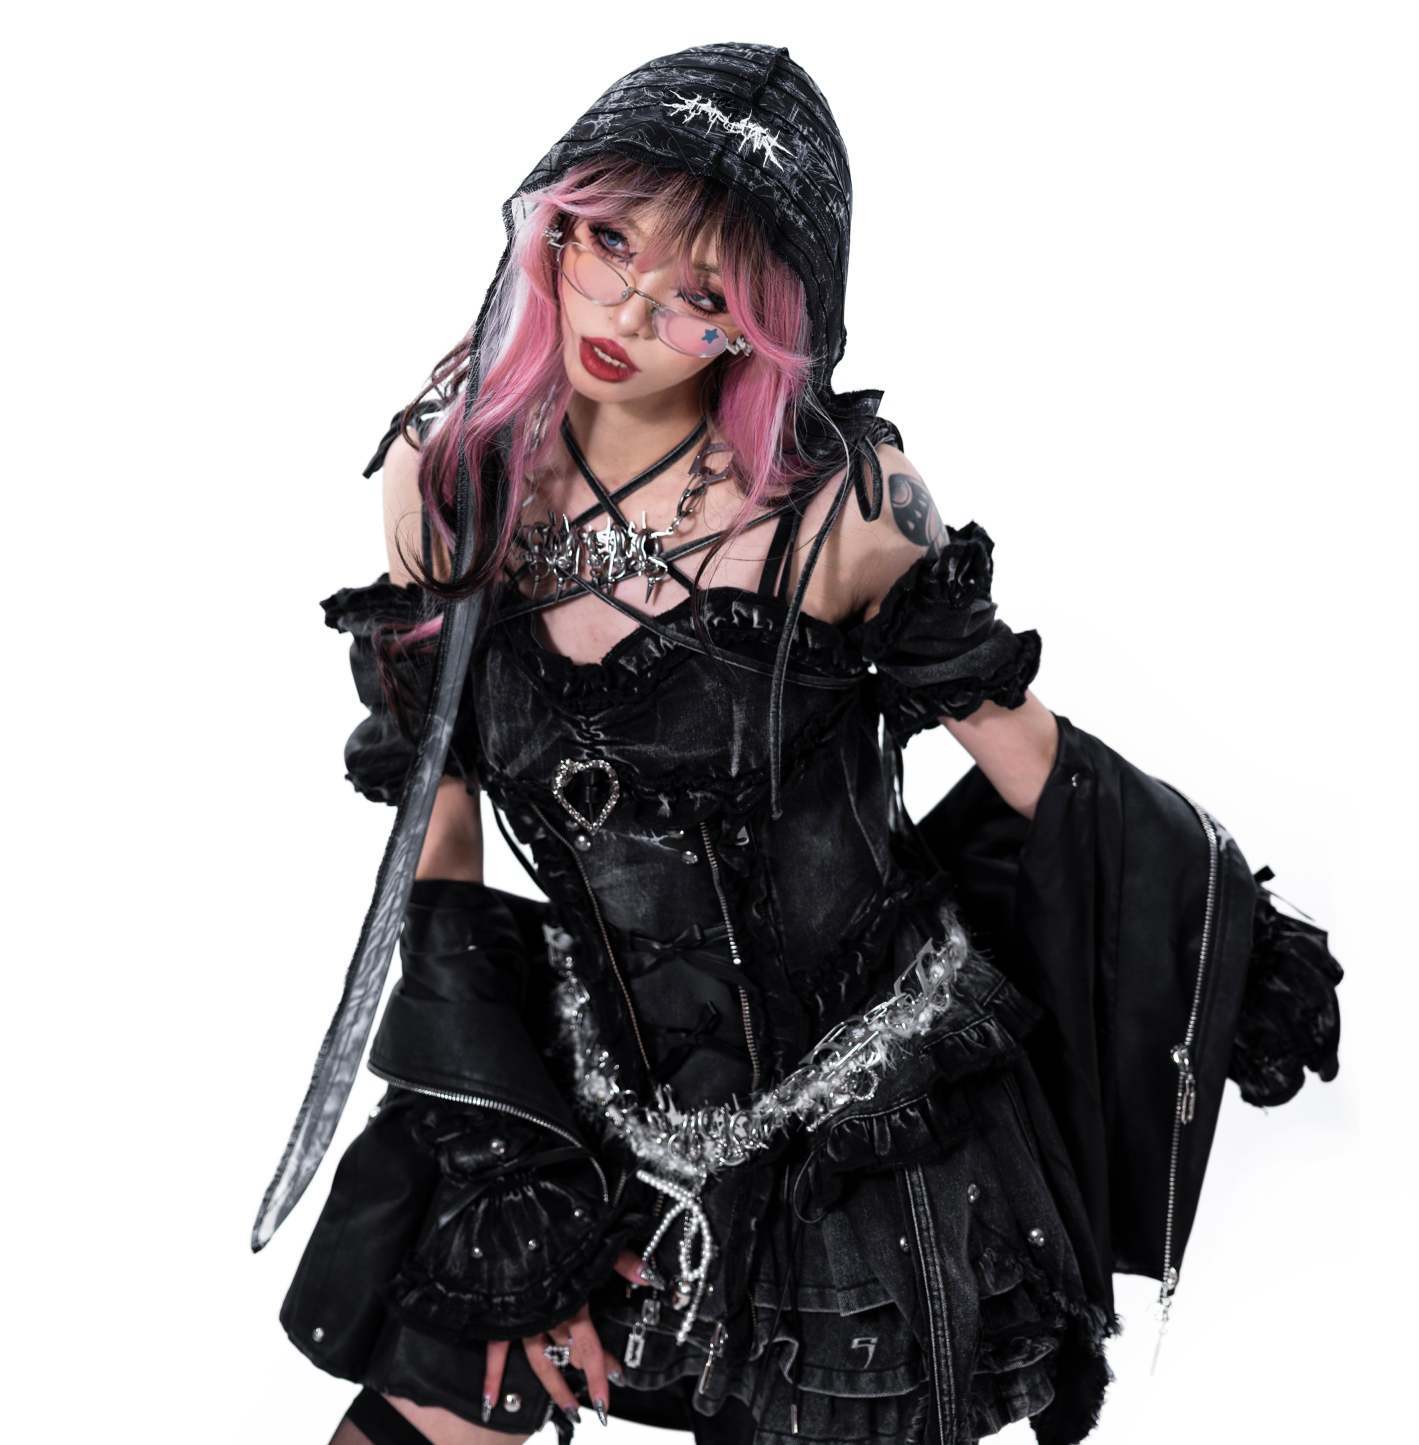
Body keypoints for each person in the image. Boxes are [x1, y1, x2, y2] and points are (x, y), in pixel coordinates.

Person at [252, 43, 1345, 1445]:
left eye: (701, 295)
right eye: (609, 239)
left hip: (866, 1140)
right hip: (590, 1094)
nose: (629, 309)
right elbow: (438, 812)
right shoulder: (453, 471)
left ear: (765, 327)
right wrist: (496, 1142)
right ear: (554, 219)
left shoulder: (841, 507)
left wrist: (1217, 936)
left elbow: (1008, 737)